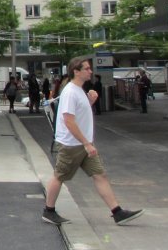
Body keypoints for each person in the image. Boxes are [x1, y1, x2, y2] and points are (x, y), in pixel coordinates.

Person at [42, 56, 143, 227]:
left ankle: (117, 212)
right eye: (87, 68)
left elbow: (78, 114)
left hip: (83, 144)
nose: (90, 71)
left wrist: (90, 102)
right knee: (59, 176)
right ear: (76, 71)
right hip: (72, 145)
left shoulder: (79, 90)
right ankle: (48, 211)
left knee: (99, 175)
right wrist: (86, 143)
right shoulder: (70, 91)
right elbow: (69, 120)